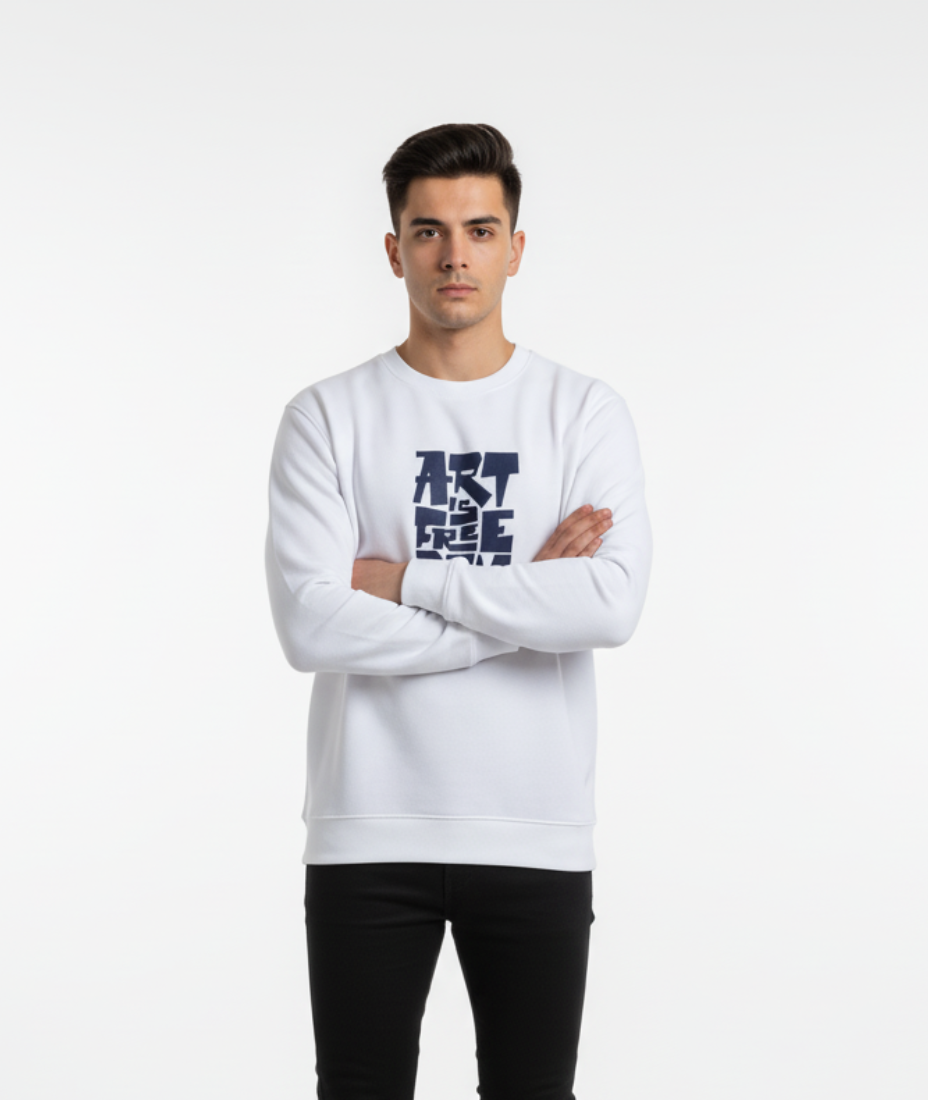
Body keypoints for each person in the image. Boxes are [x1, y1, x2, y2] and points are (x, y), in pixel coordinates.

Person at [264, 122, 653, 1100]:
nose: (454, 255)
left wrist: (406, 579)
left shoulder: (582, 412)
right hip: (367, 827)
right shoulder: (328, 415)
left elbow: (609, 603)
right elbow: (311, 625)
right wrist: (526, 604)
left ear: (515, 248)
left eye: (480, 230)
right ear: (393, 249)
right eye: (428, 231)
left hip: (534, 824)